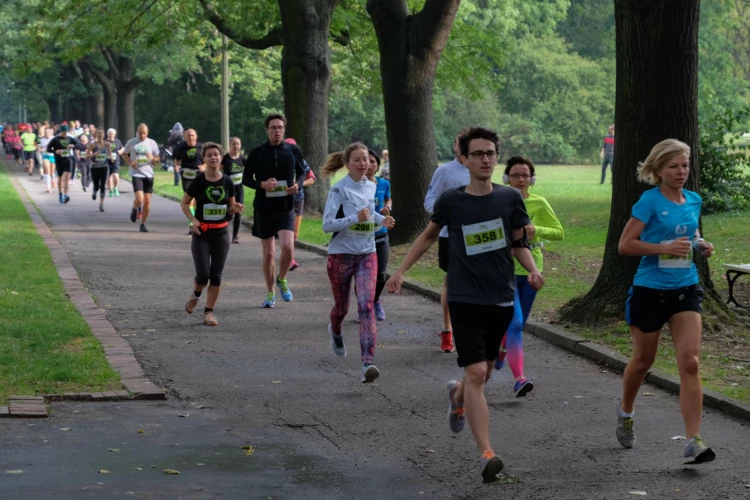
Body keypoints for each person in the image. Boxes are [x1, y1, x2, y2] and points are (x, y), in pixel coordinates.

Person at [386, 127, 544, 483]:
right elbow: (427, 237)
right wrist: (399, 272)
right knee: (476, 374)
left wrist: (532, 271)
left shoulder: (509, 199)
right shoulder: (452, 201)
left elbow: (519, 244)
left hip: (502, 297)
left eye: (491, 153)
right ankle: (486, 453)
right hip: (463, 297)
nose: (486, 159)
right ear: (465, 158)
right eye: (478, 154)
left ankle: (456, 395)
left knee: (484, 373)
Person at [616, 138, 715, 464]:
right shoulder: (649, 201)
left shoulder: (693, 200)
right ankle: (626, 411)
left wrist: (700, 245)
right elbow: (625, 245)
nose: (680, 171)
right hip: (650, 291)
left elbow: (692, 233)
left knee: (691, 362)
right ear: (658, 169)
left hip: (685, 288)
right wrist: (662, 248)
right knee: (643, 362)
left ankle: (693, 440)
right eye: (673, 166)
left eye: (684, 165)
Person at [322, 143, 395, 383]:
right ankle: (335, 330)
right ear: (347, 163)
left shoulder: (371, 185)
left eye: (366, 159)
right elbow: (327, 225)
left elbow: (369, 214)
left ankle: (367, 363)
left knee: (366, 306)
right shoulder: (338, 190)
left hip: (367, 253)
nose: (363, 164)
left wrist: (381, 220)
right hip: (341, 255)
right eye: (357, 160)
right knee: (342, 308)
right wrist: (355, 218)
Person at [494, 156, 564, 397]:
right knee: (514, 324)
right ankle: (519, 378)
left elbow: (560, 233)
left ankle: (503, 349)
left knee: (519, 324)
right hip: (506, 270)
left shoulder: (539, 203)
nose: (520, 179)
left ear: (532, 179)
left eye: (525, 175)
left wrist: (537, 230)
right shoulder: (498, 202)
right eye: (515, 175)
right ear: (506, 178)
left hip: (533, 269)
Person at [242, 114, 306, 308]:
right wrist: (261, 184)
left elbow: (302, 173)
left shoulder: (293, 150)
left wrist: (297, 185)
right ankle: (270, 292)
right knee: (269, 253)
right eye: (272, 127)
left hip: (286, 206)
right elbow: (246, 179)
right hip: (264, 207)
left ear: (284, 129)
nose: (276, 131)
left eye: (279, 127)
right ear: (267, 130)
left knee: (288, 247)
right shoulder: (257, 152)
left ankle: (282, 278)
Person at [182, 142, 245, 326]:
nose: (213, 158)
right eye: (209, 155)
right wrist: (193, 221)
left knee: (216, 275)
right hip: (202, 233)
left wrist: (236, 208)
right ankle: (196, 294)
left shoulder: (227, 181)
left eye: (216, 154)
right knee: (203, 275)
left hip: (221, 233)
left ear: (220, 157)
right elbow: (185, 203)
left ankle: (208, 313)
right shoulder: (199, 181)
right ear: (204, 158)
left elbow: (230, 208)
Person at [423, 131, 471, 353]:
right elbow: (430, 201)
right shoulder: (445, 171)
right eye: (460, 144)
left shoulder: (481, 168)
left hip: (476, 238)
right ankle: (447, 330)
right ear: (455, 147)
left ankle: (471, 330)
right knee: (451, 283)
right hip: (449, 237)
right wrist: (447, 215)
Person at [365, 149, 391, 320]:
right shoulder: (356, 186)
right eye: (368, 161)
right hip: (362, 235)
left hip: (381, 234)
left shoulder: (383, 184)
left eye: (374, 162)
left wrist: (388, 207)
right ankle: (364, 306)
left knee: (381, 273)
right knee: (364, 275)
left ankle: (375, 301)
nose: (370, 165)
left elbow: (389, 198)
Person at [121, 123, 160, 233]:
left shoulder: (152, 143)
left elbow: (157, 158)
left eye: (144, 134)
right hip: (137, 173)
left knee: (147, 202)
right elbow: (124, 154)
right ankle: (135, 208)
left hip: (149, 174)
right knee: (140, 199)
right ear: (137, 132)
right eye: (140, 133)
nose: (142, 136)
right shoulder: (132, 142)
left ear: (147, 133)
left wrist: (153, 158)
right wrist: (130, 162)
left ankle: (143, 224)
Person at [285, 137, 316, 270]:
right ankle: (290, 258)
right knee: (287, 231)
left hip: (298, 199)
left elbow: (312, 179)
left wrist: (299, 184)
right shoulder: (278, 161)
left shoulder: (302, 162)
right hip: (282, 200)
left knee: (295, 232)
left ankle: (290, 257)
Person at [173, 128, 204, 234]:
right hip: (186, 177)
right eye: (188, 135)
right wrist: (176, 166)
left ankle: (200, 222)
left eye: (192, 135)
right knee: (189, 201)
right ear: (185, 137)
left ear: (196, 136)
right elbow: (177, 159)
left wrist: (204, 166)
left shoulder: (201, 147)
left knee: (197, 201)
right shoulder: (181, 147)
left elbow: (208, 160)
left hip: (199, 177)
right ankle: (192, 224)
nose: (190, 137)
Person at [221, 136, 246, 244]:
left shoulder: (242, 158)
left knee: (238, 211)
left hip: (239, 188)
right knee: (229, 211)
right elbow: (219, 172)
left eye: (238, 144)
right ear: (230, 145)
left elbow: (249, 170)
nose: (236, 146)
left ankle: (235, 236)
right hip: (228, 189)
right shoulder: (225, 158)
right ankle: (223, 232)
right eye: (234, 144)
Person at [46, 125, 80, 204]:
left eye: (67, 131)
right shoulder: (55, 139)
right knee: (60, 178)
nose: (66, 133)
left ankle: (66, 195)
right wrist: (55, 152)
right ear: (61, 131)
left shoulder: (70, 138)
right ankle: (60, 193)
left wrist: (73, 146)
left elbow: (79, 144)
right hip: (59, 160)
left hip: (68, 160)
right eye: (64, 132)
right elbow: (48, 148)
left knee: (66, 178)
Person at [85, 129, 111, 212]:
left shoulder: (107, 144)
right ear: (95, 135)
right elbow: (86, 156)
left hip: (104, 167)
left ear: (104, 135)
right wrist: (93, 154)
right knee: (96, 185)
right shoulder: (92, 145)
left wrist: (111, 158)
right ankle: (94, 190)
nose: (100, 134)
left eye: (101, 133)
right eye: (98, 133)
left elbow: (110, 155)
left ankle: (101, 204)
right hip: (94, 167)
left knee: (103, 185)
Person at [106, 128, 124, 197]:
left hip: (116, 161)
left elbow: (122, 148)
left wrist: (120, 151)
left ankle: (115, 188)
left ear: (115, 135)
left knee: (116, 176)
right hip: (107, 161)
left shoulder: (118, 141)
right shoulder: (105, 142)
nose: (111, 135)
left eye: (112, 134)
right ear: (107, 134)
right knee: (109, 176)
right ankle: (110, 190)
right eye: (109, 134)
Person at [40, 127, 57, 193]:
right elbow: (40, 148)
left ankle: (53, 179)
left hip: (52, 156)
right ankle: (48, 187)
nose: (47, 133)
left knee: (51, 172)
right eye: (46, 132)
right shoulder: (42, 140)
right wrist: (41, 149)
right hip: (45, 156)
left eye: (48, 132)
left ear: (50, 132)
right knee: (47, 170)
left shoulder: (54, 138)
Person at [167, 122, 184, 186]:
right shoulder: (183, 133)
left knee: (176, 166)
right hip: (184, 151)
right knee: (183, 167)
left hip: (177, 151)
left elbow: (169, 141)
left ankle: (176, 183)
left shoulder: (175, 133)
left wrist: (171, 134)